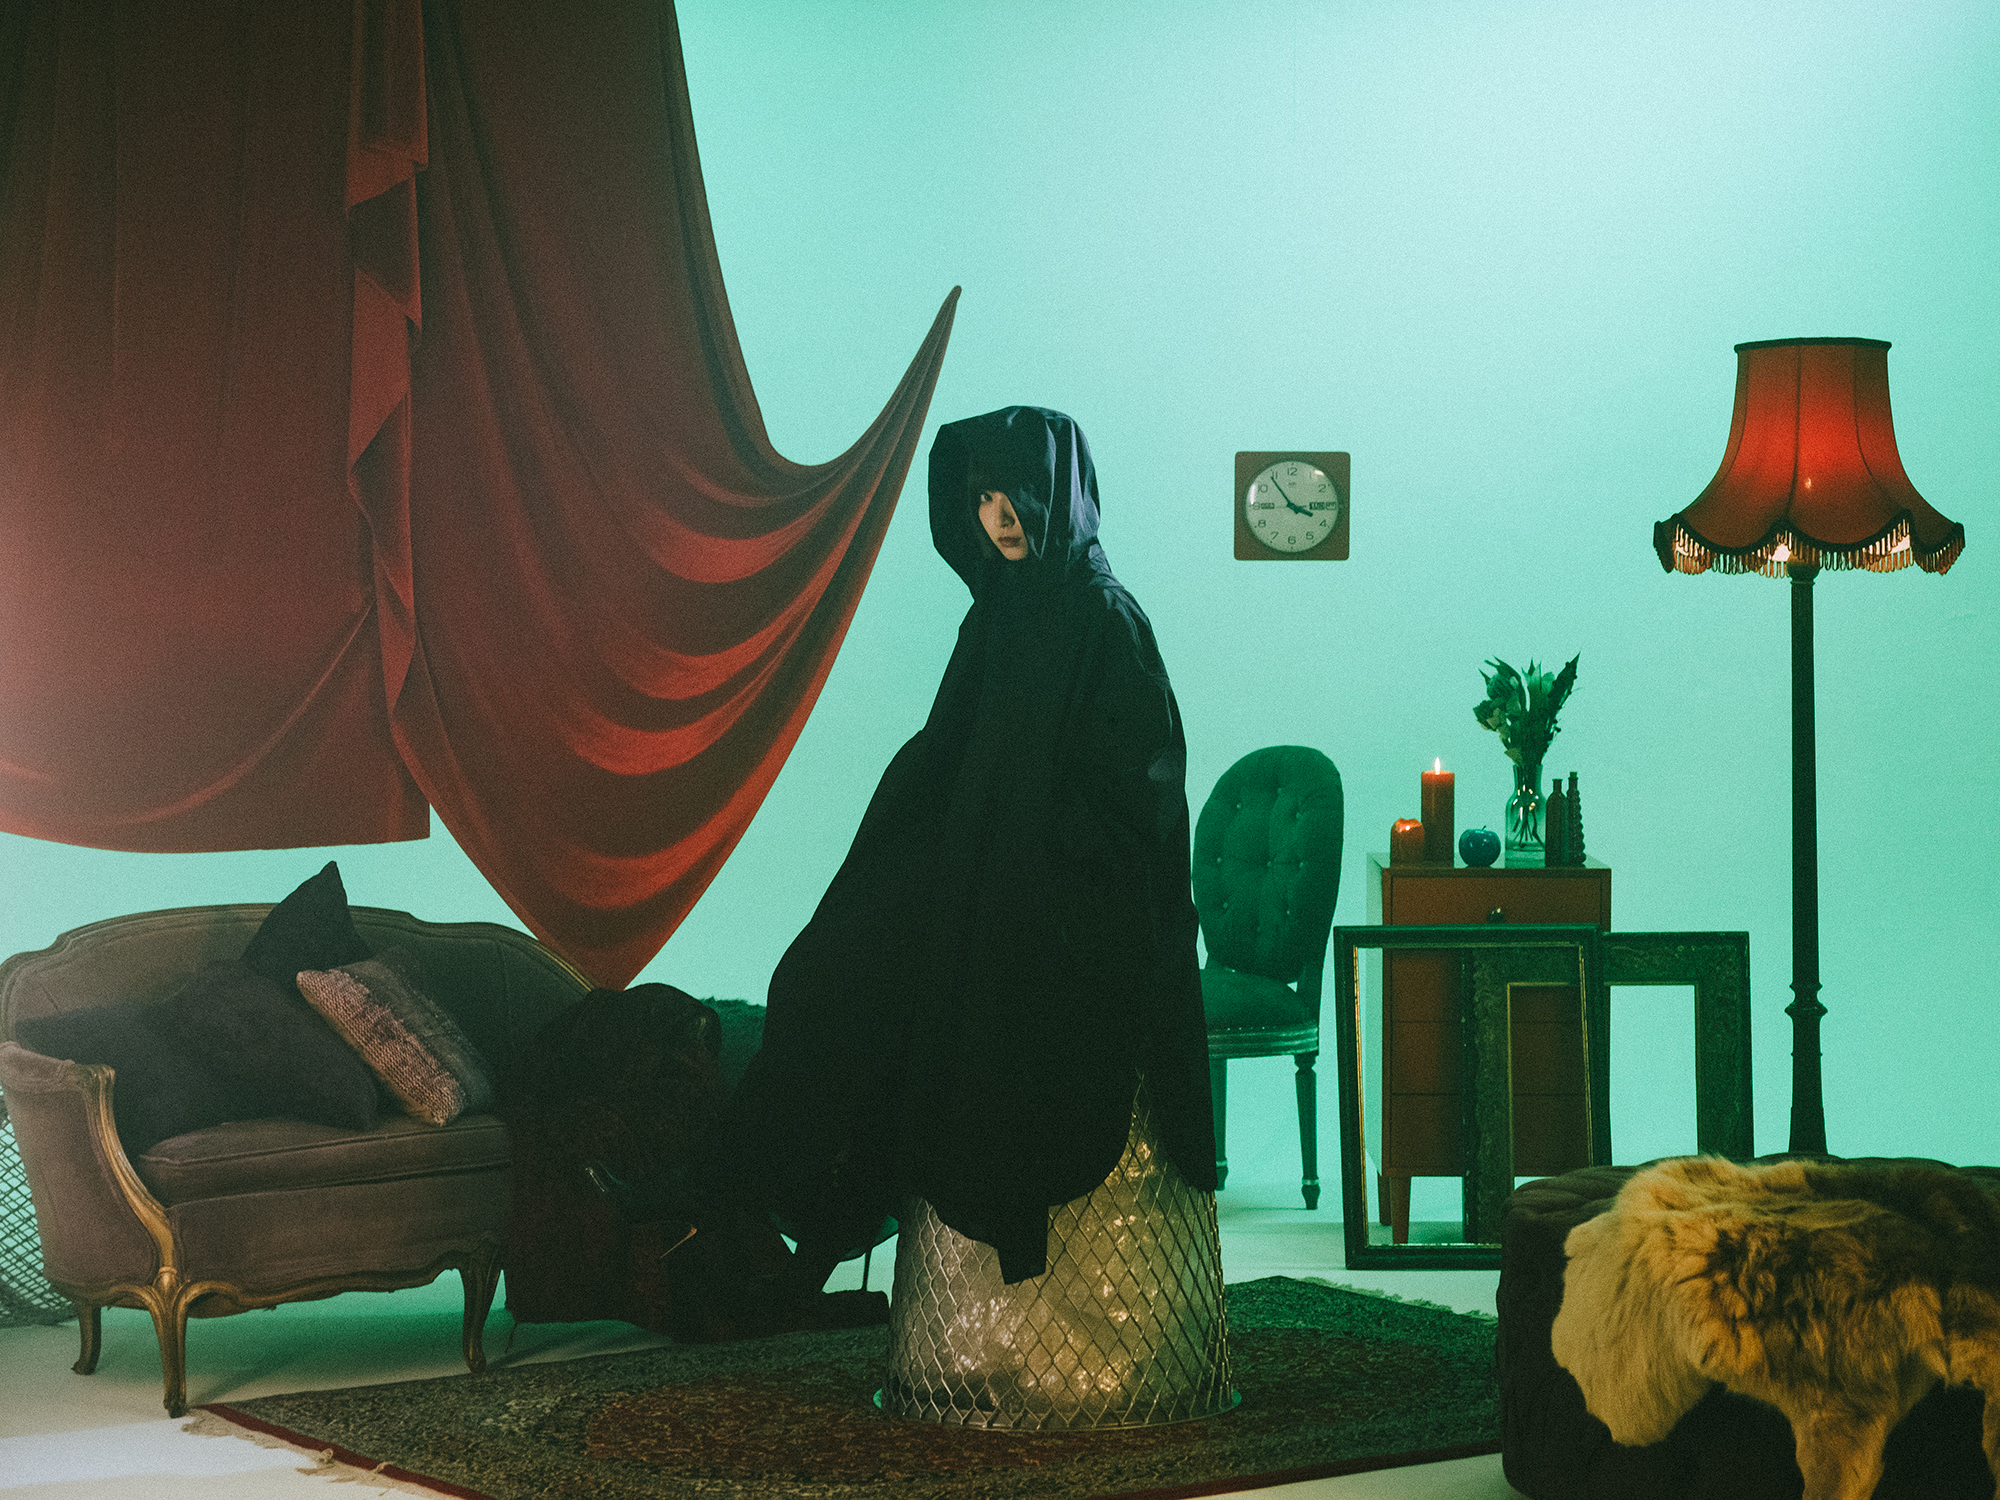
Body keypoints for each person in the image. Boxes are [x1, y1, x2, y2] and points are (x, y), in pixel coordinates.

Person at [724, 405, 1216, 1292]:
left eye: (1014, 493)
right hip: (981, 865)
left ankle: (824, 1241)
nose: (997, 516)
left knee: (966, 992)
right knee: (830, 970)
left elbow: (1139, 793)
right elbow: (946, 751)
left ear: (1058, 494)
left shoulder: (1107, 619)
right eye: (981, 497)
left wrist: (1019, 841)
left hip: (1075, 891)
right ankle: (768, 1213)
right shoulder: (997, 615)